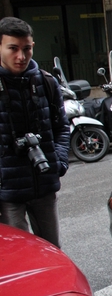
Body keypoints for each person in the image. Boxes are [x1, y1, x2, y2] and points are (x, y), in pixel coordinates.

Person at [0, 17, 70, 247]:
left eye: (26, 48)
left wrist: (58, 160)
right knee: (20, 257)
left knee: (51, 251)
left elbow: (61, 127)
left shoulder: (47, 82)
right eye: (13, 48)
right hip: (8, 192)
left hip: (43, 185)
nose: (21, 56)